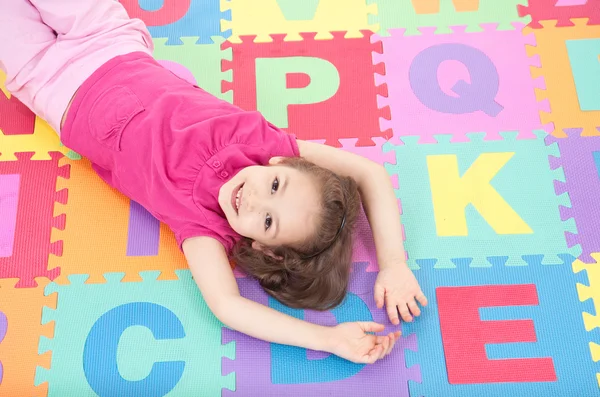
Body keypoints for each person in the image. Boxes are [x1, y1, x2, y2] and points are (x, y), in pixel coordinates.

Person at [0, 0, 427, 364]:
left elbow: (228, 306)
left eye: (267, 223)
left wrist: (328, 339)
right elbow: (369, 172)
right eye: (275, 186)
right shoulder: (266, 142)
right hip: (109, 39)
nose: (256, 199)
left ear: (260, 248)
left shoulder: (203, 225)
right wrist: (393, 262)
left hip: (48, 83)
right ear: (283, 162)